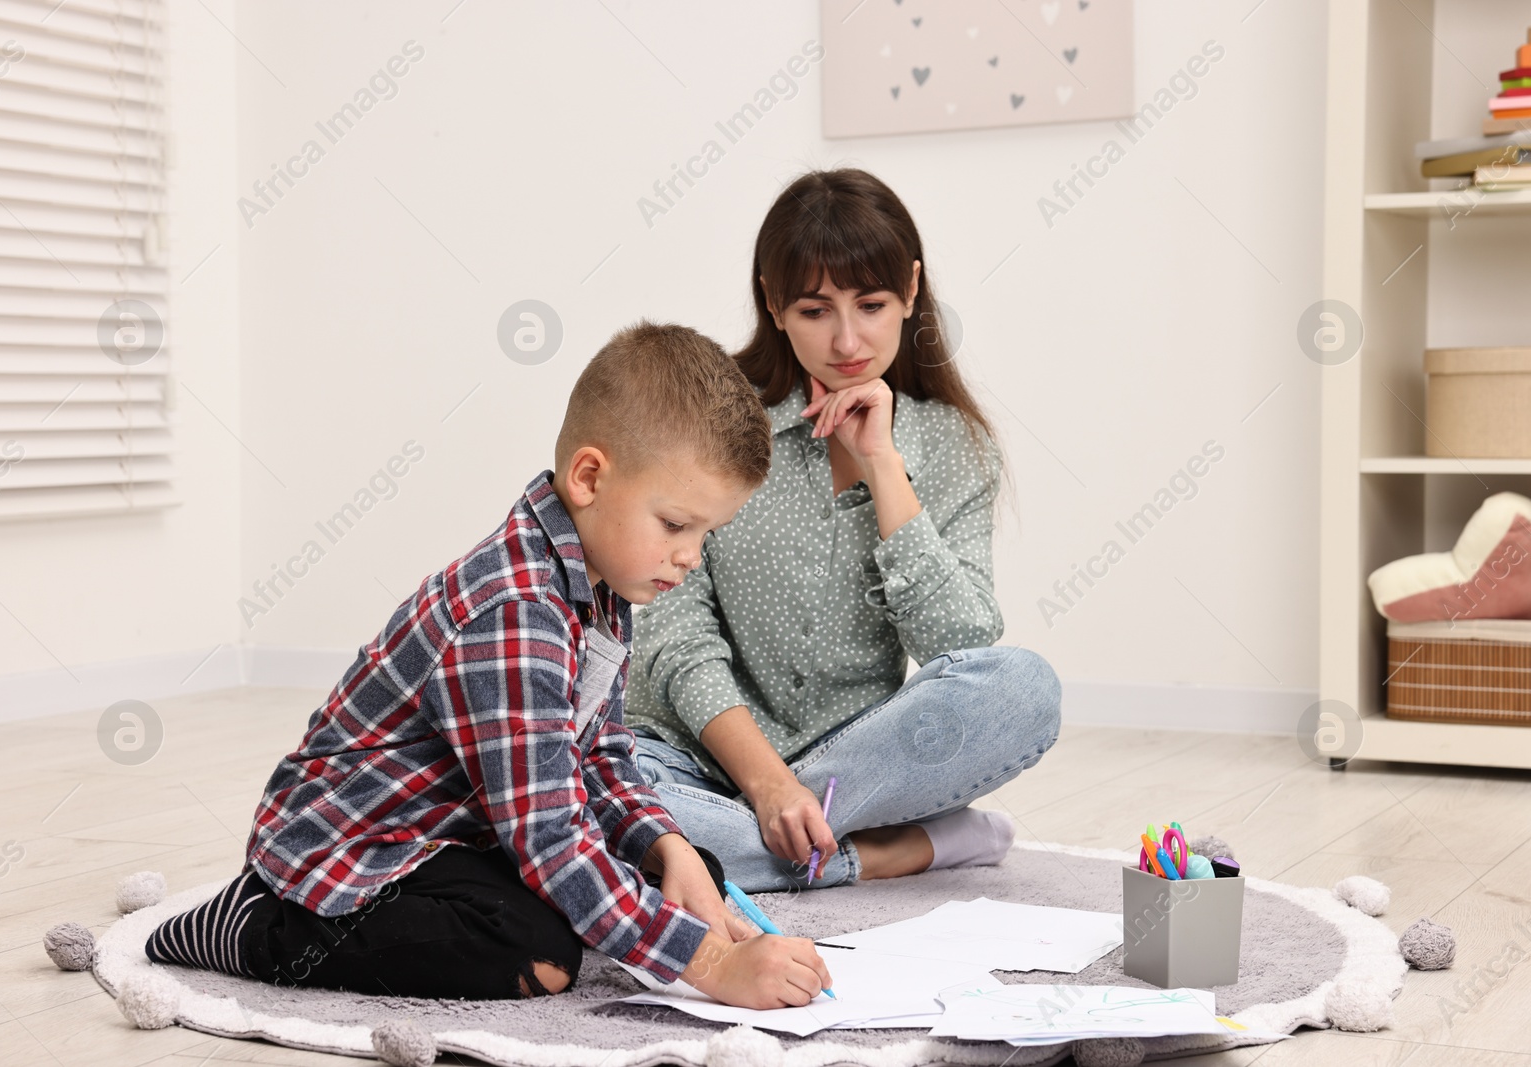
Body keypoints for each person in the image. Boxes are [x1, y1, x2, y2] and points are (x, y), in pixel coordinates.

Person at [143, 321, 833, 1007]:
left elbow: (598, 755)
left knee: (689, 873)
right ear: (590, 477)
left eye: (706, 533)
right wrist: (710, 963)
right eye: (677, 525)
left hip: (461, 833)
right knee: (534, 950)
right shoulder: (512, 610)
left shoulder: (604, 584)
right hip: (357, 854)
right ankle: (259, 928)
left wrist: (668, 848)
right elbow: (551, 833)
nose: (690, 555)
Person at [625, 169, 1064, 893]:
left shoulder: (950, 444)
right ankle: (876, 852)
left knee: (1027, 687)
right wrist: (766, 786)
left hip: (850, 772)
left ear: (911, 291)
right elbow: (675, 636)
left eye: (872, 304)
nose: (848, 338)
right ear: (774, 302)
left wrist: (884, 466)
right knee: (587, 789)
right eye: (815, 309)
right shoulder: (711, 421)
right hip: (689, 754)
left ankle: (740, 844)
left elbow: (959, 650)